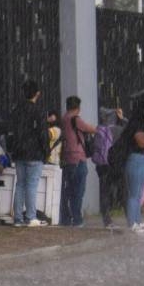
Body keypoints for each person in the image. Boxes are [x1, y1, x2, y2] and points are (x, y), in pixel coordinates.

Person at [6, 80, 49, 227]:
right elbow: (43, 133)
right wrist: (46, 151)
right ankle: (31, 217)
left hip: (19, 153)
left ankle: (18, 218)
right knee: (32, 185)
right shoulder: (39, 110)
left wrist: (13, 149)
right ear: (37, 93)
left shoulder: (16, 110)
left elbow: (10, 131)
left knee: (20, 184)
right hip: (35, 152)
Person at [59, 96, 96, 227]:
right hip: (78, 158)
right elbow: (90, 129)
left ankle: (66, 218)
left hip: (67, 158)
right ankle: (77, 219)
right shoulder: (75, 119)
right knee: (78, 191)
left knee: (68, 191)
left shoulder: (63, 119)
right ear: (78, 108)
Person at [122, 100, 144, 233]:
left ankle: (137, 221)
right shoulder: (137, 125)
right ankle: (132, 223)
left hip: (141, 160)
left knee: (138, 194)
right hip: (136, 160)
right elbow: (142, 143)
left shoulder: (141, 124)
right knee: (134, 194)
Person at [93, 107, 125, 229]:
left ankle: (106, 217)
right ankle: (123, 212)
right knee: (118, 188)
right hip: (114, 163)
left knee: (104, 190)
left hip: (101, 164)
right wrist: (122, 119)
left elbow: (93, 148)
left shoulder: (99, 130)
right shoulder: (118, 129)